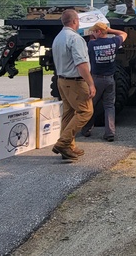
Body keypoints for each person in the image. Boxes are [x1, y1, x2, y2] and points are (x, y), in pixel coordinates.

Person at [50, 9, 96, 162]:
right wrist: (90, 84)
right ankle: (63, 143)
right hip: (75, 82)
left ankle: (69, 147)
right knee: (85, 111)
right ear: (75, 21)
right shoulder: (75, 39)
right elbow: (81, 64)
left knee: (69, 114)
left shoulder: (58, 37)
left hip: (62, 80)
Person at [79, 21, 128, 142]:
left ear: (98, 31)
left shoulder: (92, 45)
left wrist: (93, 37)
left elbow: (88, 48)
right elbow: (124, 34)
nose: (93, 33)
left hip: (96, 79)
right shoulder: (113, 42)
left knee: (91, 105)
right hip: (110, 79)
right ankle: (110, 132)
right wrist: (110, 30)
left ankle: (86, 129)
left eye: (94, 31)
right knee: (109, 106)